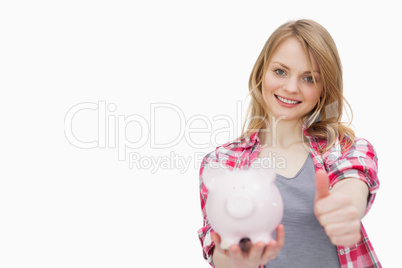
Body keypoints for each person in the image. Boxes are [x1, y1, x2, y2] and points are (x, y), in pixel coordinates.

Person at [197, 19, 381, 268]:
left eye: (309, 79)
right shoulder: (221, 162)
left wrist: (343, 208)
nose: (291, 87)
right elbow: (217, 246)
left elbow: (353, 183)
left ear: (324, 88)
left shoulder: (345, 148)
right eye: (280, 71)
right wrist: (238, 260)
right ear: (261, 72)